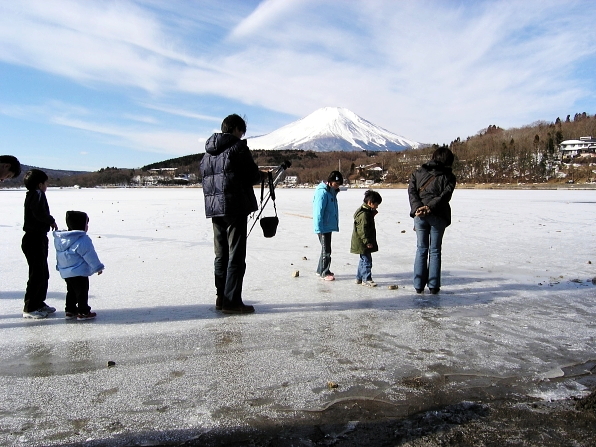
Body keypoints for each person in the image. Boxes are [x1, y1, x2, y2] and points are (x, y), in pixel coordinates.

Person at [200, 114, 262, 314]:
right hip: (235, 207)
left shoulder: (207, 154)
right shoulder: (238, 147)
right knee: (236, 254)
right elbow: (252, 175)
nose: (242, 135)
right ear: (235, 128)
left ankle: (221, 297)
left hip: (215, 208)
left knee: (221, 254)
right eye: (241, 131)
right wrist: (264, 175)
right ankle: (232, 301)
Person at [408, 146, 457, 294]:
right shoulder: (449, 177)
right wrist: (429, 208)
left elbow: (412, 192)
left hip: (419, 216)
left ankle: (418, 285)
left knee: (421, 249)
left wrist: (418, 208)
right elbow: (444, 197)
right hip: (438, 215)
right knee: (435, 250)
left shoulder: (417, 173)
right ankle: (434, 286)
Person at [54, 211, 104, 320]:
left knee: (71, 291)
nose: (87, 226)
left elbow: (61, 256)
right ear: (80, 225)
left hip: (66, 272)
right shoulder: (82, 239)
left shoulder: (62, 239)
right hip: (79, 272)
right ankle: (83, 311)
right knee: (82, 291)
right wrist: (98, 267)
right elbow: (89, 255)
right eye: (86, 224)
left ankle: (70, 310)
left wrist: (60, 268)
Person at [21, 169, 58, 319]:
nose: (47, 185)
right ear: (40, 184)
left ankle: (39, 303)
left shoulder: (34, 194)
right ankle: (30, 307)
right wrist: (51, 220)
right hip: (34, 239)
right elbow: (38, 213)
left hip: (38, 238)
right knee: (37, 274)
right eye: (46, 183)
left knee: (43, 273)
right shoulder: (36, 194)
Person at [313, 170, 343, 281]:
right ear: (330, 182)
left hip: (327, 225)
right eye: (336, 184)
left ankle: (320, 270)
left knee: (325, 249)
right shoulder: (323, 193)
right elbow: (318, 211)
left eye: (339, 184)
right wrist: (319, 227)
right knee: (327, 250)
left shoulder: (331, 192)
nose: (337, 186)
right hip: (323, 226)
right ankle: (324, 272)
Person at [350, 189, 382, 287]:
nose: (377, 206)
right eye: (376, 204)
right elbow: (362, 230)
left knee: (363, 259)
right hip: (363, 242)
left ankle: (359, 278)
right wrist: (367, 241)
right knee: (367, 260)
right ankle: (366, 279)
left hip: (361, 241)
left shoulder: (365, 211)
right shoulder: (364, 214)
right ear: (370, 203)